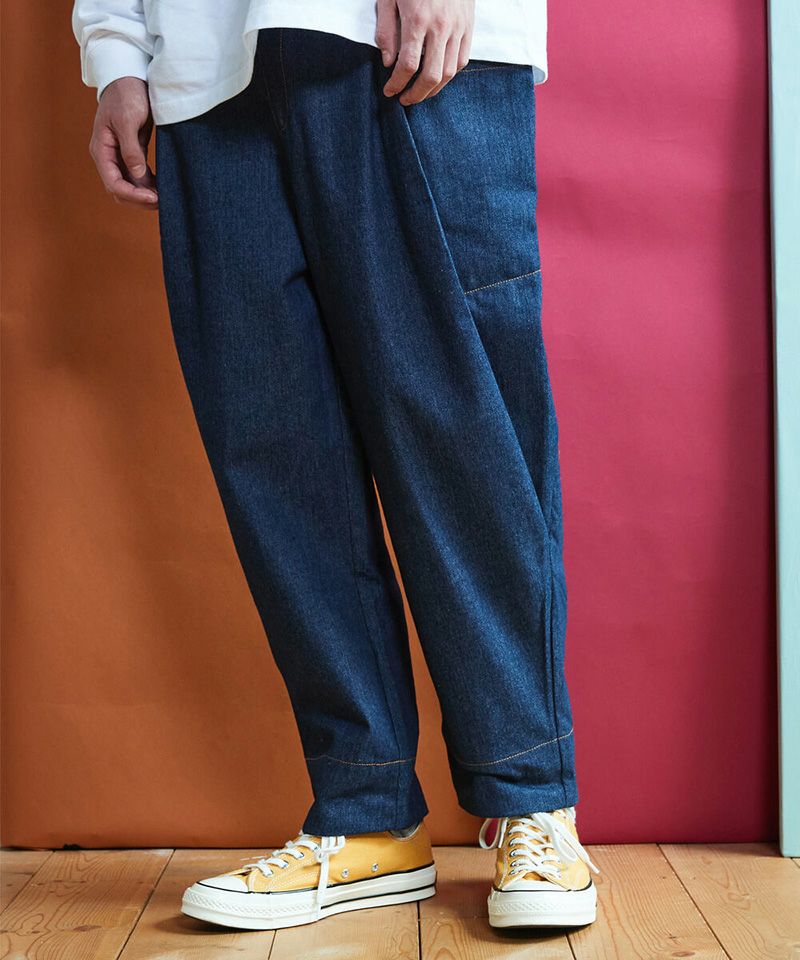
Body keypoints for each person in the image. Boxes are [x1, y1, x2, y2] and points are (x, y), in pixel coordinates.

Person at [72, 0, 600, 932]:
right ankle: (366, 811)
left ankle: (533, 801)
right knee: (275, 453)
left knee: (462, 430)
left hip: (404, 42)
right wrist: (114, 47)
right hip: (205, 61)